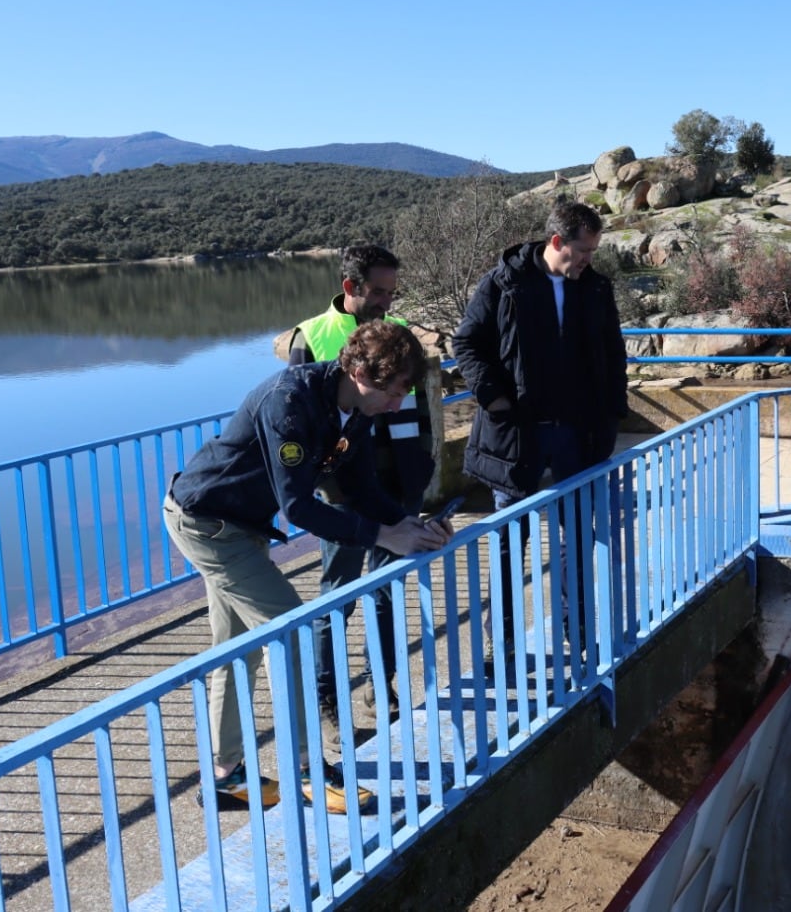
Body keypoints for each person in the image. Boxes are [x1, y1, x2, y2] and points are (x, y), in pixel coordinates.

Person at [163, 321, 449, 813]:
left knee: (236, 650)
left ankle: (226, 777)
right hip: (206, 524)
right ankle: (307, 770)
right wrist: (383, 535)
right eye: (393, 390)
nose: (398, 403)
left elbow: (360, 490)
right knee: (291, 633)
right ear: (359, 370)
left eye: (404, 391)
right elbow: (297, 507)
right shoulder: (290, 402)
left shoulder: (355, 408)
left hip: (241, 526)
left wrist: (409, 524)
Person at [452, 199, 628, 661]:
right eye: (584, 250)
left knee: (576, 537)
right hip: (518, 436)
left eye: (593, 250)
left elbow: (613, 355)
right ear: (557, 242)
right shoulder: (504, 284)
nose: (590, 259)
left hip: (577, 435)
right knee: (511, 542)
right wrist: (494, 399)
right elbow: (467, 343)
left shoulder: (595, 289)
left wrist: (612, 414)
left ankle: (580, 632)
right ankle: (501, 643)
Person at [284, 244, 435, 721]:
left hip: (397, 482)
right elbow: (298, 419)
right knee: (339, 594)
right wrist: (323, 487)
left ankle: (380, 682)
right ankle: (327, 698)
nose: (387, 302)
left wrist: (424, 467)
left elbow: (421, 407)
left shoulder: (401, 333)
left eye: (392, 292)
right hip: (345, 493)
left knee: (389, 588)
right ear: (350, 287)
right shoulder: (312, 337)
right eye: (377, 292)